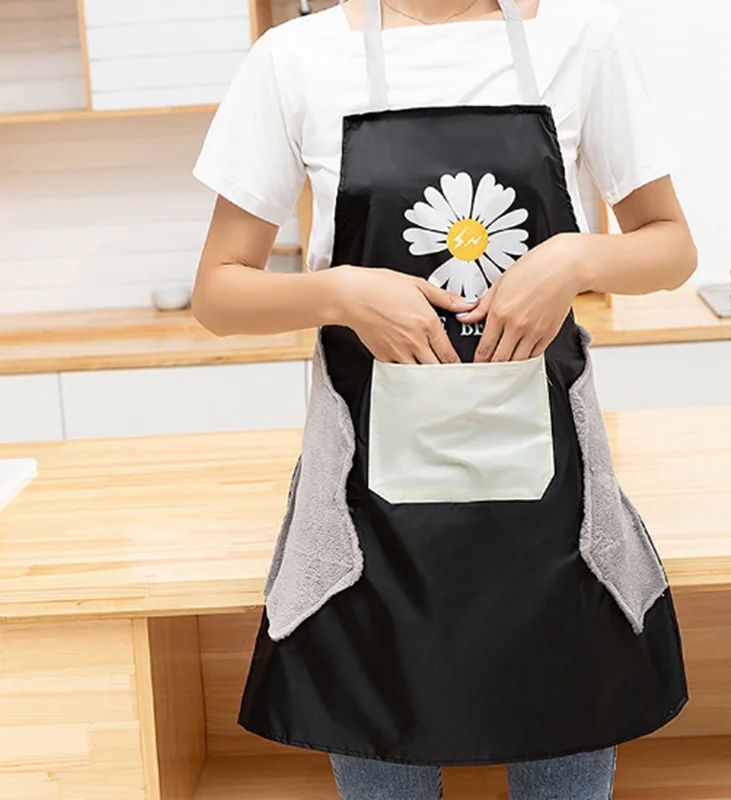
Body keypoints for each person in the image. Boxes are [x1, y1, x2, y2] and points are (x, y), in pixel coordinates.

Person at [191, 0, 696, 797]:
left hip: (552, 508)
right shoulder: (293, 59)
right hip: (369, 514)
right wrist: (342, 292)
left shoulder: (580, 42)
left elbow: (670, 246)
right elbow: (219, 293)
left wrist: (573, 259)